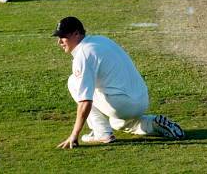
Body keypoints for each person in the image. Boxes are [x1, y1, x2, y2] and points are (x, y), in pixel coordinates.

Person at [54, 16, 184, 148]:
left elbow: (85, 101)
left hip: (121, 104)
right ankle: (153, 124)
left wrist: (74, 135)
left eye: (63, 36)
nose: (59, 42)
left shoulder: (83, 54)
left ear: (76, 33)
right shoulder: (101, 40)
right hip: (142, 99)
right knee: (116, 123)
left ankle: (101, 133)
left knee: (73, 82)